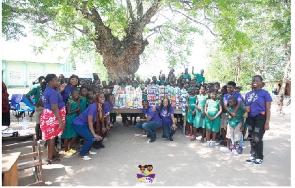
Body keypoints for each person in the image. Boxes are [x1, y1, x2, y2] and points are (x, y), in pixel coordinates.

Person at [244, 75, 272, 165]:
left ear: (261, 83)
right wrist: (245, 108)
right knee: (252, 137)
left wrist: (267, 122)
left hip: (260, 117)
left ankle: (259, 157)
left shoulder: (265, 93)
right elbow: (246, 106)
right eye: (253, 80)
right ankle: (253, 155)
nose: (254, 82)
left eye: (257, 80)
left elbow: (268, 109)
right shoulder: (248, 94)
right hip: (250, 118)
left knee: (257, 137)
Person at [40, 74, 66, 164]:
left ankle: (53, 154)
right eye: (56, 80)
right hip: (52, 116)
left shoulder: (49, 90)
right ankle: (49, 158)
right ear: (51, 81)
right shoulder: (51, 92)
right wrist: (60, 121)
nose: (57, 82)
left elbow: (53, 98)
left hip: (48, 115)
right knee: (51, 137)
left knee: (52, 136)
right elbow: (54, 107)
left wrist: (60, 91)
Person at [72, 93, 105, 160]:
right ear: (97, 98)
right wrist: (94, 134)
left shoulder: (99, 106)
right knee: (91, 137)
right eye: (101, 97)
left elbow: (100, 119)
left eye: (103, 97)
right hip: (79, 124)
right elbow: (90, 121)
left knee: (92, 137)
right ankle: (81, 154)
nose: (103, 98)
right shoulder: (93, 107)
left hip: (84, 124)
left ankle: (87, 151)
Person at [26, 76, 45, 140]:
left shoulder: (47, 88)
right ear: (39, 81)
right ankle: (37, 137)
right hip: (39, 107)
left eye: (45, 81)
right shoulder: (36, 88)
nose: (43, 82)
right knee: (38, 123)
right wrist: (32, 103)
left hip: (46, 108)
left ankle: (43, 136)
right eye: (42, 81)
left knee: (45, 123)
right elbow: (27, 95)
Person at [61, 89, 80, 157]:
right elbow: (68, 112)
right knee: (67, 136)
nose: (76, 95)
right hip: (69, 119)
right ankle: (66, 150)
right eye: (75, 94)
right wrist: (76, 110)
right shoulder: (70, 102)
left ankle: (70, 147)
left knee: (74, 135)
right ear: (71, 94)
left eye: (77, 94)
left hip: (74, 119)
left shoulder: (75, 101)